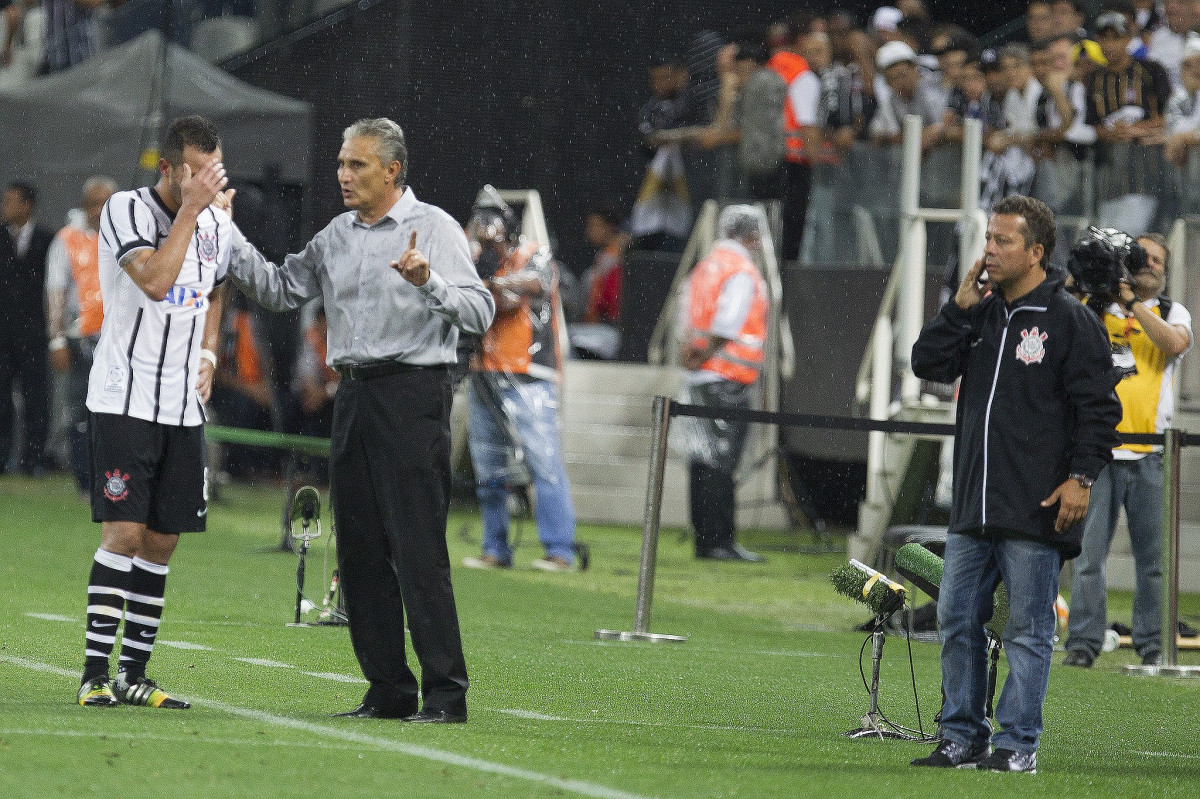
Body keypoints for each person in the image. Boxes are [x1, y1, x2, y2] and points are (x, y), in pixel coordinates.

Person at [225, 117, 494, 723]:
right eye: (342, 164)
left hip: (412, 394)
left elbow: (480, 311)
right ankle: (388, 689)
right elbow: (277, 288)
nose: (343, 175)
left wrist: (431, 284)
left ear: (393, 170)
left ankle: (446, 695)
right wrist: (225, 234)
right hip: (353, 398)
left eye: (357, 165)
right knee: (362, 551)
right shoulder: (335, 236)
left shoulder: (436, 229)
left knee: (417, 549)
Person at [910, 195, 1121, 772]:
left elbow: (1099, 411)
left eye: (1003, 242)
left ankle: (1017, 744)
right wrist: (956, 305)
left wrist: (1081, 479)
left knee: (1028, 632)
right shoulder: (978, 314)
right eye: (988, 241)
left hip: (1036, 505)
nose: (990, 252)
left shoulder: (1069, 320)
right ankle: (961, 736)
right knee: (956, 620)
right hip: (973, 504)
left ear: (1036, 252)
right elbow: (926, 363)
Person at [77, 116, 231, 710]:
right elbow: (157, 282)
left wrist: (212, 351)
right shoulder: (125, 210)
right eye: (197, 172)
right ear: (167, 168)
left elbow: (216, 286)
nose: (209, 183)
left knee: (163, 541)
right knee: (125, 531)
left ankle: (135, 674)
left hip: (182, 405)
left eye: (215, 171)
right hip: (124, 397)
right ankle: (95, 673)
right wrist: (193, 212)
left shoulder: (216, 222)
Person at [1065, 232, 1191, 668]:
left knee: (1153, 563)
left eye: (1158, 260)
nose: (1150, 264)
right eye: (1142, 257)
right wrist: (1089, 281)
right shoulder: (1093, 309)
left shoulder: (1173, 312)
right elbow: (1061, 316)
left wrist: (1131, 301)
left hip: (1152, 453)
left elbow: (1174, 345)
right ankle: (1082, 642)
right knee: (1087, 558)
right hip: (1098, 451)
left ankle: (1152, 642)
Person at [462, 186, 577, 572]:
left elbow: (534, 285)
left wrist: (491, 282)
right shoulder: (475, 259)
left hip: (529, 373)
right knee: (487, 464)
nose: (483, 227)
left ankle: (560, 550)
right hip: (484, 371)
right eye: (478, 219)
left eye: (490, 220)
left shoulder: (533, 253)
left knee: (543, 462)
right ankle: (495, 548)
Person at [679, 204, 768, 563]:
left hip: (700, 376)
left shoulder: (704, 267)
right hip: (728, 378)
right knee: (722, 463)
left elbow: (688, 317)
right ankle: (720, 542)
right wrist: (705, 353)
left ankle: (704, 539)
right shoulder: (742, 270)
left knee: (700, 459)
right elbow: (727, 325)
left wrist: (693, 355)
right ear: (750, 234)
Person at [46, 175, 117, 496]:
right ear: (85, 205)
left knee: (117, 412)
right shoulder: (67, 239)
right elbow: (55, 292)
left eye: (106, 202)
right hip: (81, 339)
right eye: (94, 203)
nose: (100, 210)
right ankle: (85, 481)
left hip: (120, 340)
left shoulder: (126, 235)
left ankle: (114, 479)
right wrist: (57, 338)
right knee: (81, 410)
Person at [0, 180, 55, 475]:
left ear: (27, 206)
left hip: (34, 334)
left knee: (36, 396)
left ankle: (33, 459)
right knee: (1, 397)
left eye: (10, 201)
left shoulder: (48, 240)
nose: (4, 207)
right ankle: (2, 457)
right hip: (2, 334)